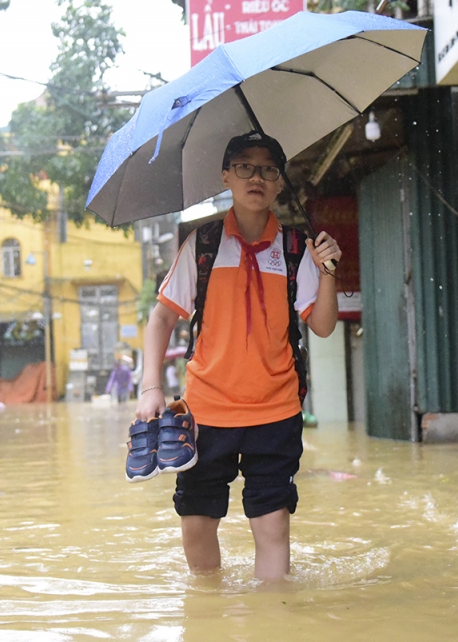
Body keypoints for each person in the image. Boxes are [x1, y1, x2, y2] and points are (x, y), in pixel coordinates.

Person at [134, 131, 342, 581]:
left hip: (276, 410)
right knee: (196, 524)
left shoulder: (293, 251)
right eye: (245, 167)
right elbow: (161, 319)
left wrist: (326, 272)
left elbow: (323, 325)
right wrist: (151, 387)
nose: (257, 177)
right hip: (207, 414)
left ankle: (273, 621)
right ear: (226, 176)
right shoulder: (202, 245)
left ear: (280, 183)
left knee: (272, 526)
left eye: (269, 169)